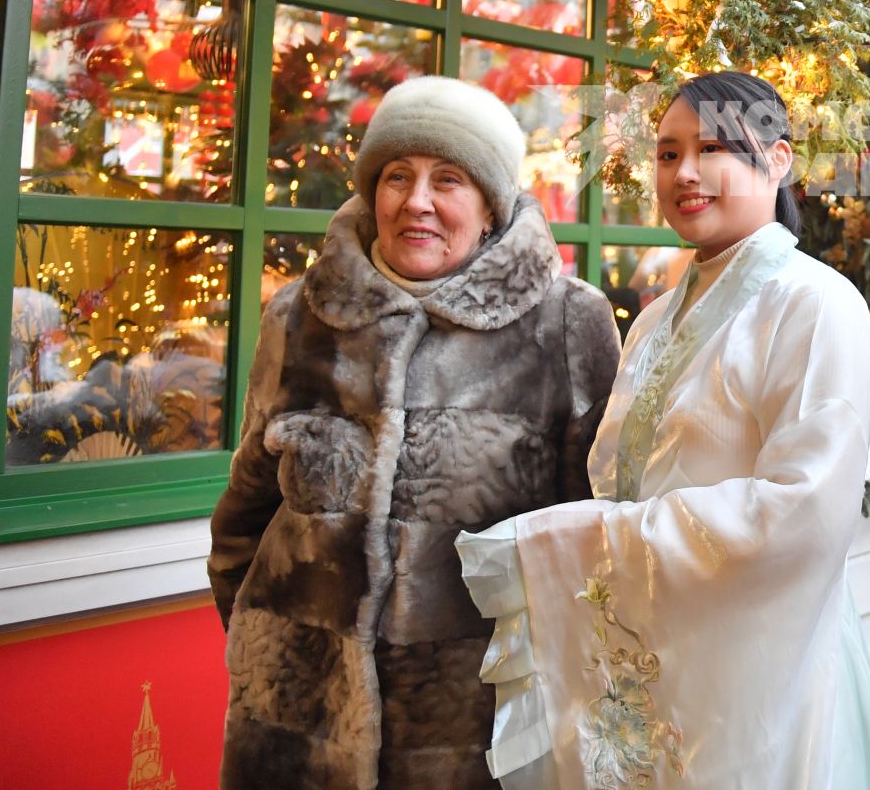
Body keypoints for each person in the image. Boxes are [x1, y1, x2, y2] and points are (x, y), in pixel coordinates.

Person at [454, 72, 870, 788]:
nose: (684, 172)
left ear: (778, 161)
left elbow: (804, 515)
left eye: (713, 147)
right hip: (652, 658)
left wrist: (584, 542)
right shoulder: (656, 318)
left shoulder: (816, 307)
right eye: (666, 153)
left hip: (761, 679)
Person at [208, 76, 621, 788]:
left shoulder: (566, 325)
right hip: (296, 734)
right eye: (397, 176)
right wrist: (265, 649)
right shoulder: (298, 319)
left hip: (479, 733)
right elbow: (244, 514)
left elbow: (596, 534)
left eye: (448, 179)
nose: (417, 201)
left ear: (490, 207)